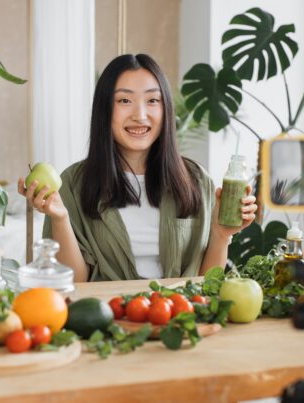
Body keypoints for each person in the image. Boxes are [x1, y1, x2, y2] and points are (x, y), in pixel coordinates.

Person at [18, 54, 257, 282]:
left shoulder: (195, 180)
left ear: (165, 110)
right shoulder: (73, 183)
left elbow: (206, 285)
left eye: (153, 100)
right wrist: (60, 219)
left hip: (181, 317)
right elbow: (76, 282)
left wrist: (221, 235)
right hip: (106, 317)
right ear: (105, 110)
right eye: (124, 101)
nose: (140, 115)